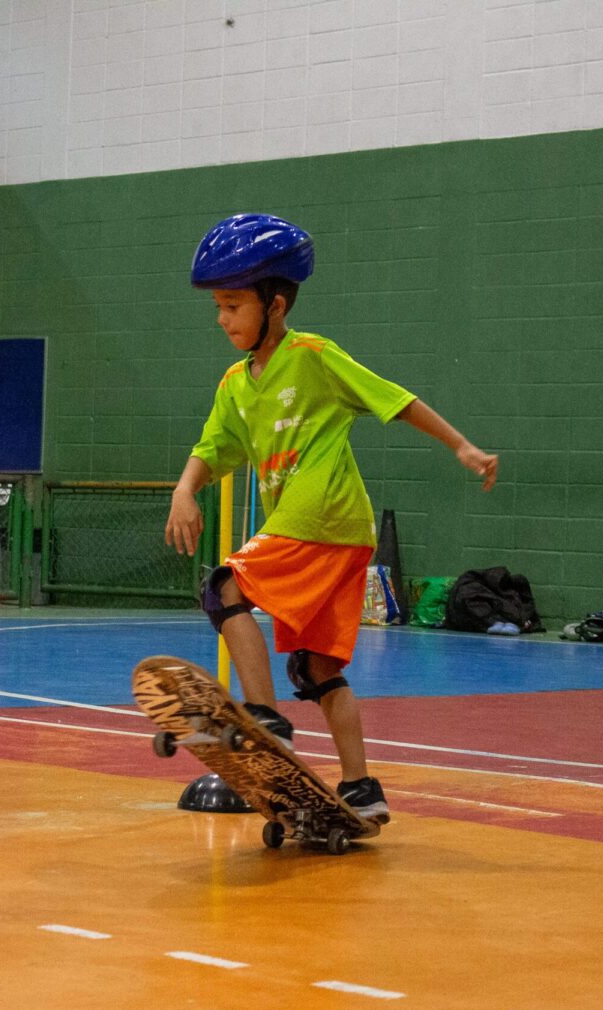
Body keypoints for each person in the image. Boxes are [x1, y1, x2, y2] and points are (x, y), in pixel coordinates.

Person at [164, 213, 499, 823]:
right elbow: (211, 449)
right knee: (316, 667)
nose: (222, 318)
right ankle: (361, 789)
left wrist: (461, 445)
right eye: (218, 306)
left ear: (277, 303)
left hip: (322, 516)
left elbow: (394, 399)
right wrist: (184, 490)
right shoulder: (236, 384)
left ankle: (263, 718)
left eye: (233, 304)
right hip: (344, 537)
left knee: (224, 587)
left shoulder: (314, 357)